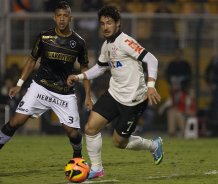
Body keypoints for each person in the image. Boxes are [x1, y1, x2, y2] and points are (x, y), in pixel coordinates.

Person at [0, 1, 92, 169]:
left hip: (64, 93)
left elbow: (85, 69)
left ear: (70, 18)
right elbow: (31, 60)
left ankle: (78, 159)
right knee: (15, 121)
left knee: (72, 132)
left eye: (65, 16)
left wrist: (87, 95)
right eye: (59, 16)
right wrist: (19, 84)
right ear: (54, 17)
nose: (62, 19)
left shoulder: (79, 42)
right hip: (40, 87)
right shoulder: (44, 37)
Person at [67, 5, 163, 179]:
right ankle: (97, 169)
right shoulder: (106, 45)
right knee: (90, 128)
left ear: (118, 24)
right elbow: (100, 68)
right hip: (114, 94)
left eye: (109, 23)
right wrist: (79, 77)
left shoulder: (126, 42)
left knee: (119, 142)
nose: (105, 27)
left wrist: (151, 85)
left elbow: (151, 59)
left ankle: (153, 145)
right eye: (102, 23)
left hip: (133, 100)